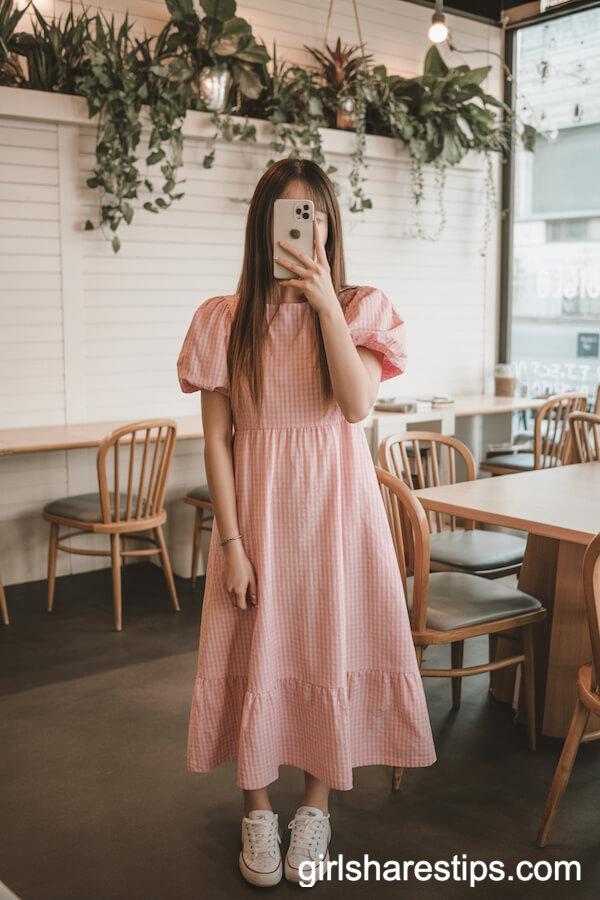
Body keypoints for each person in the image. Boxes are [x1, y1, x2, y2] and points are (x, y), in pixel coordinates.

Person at [176, 157, 437, 888]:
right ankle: (256, 807)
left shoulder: (360, 308)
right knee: (251, 651)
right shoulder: (222, 320)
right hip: (258, 520)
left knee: (327, 651)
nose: (304, 227)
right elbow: (218, 443)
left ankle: (317, 806)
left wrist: (324, 305)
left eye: (315, 213)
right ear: (262, 228)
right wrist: (231, 545)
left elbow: (356, 409)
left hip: (337, 522)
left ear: (331, 223)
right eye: (288, 215)